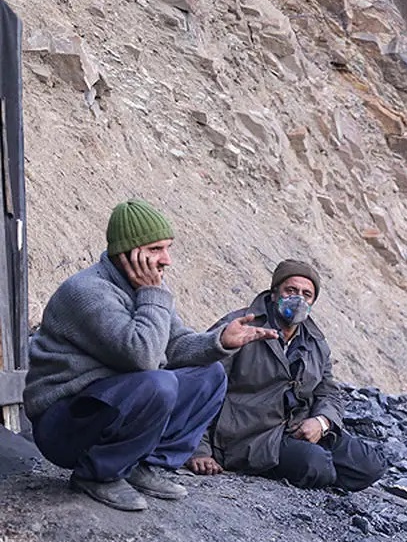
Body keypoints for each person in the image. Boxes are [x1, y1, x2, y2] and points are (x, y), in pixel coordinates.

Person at [22, 198, 279, 512]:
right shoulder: (88, 291)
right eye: (156, 249)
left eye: (168, 248)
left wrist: (219, 341)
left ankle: (142, 464)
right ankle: (98, 474)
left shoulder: (147, 289)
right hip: (63, 424)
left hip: (106, 404)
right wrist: (153, 294)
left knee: (210, 375)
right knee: (158, 384)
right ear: (127, 252)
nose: (167, 260)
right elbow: (142, 356)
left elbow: (173, 345)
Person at [186, 259, 388, 493]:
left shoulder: (315, 341)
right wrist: (198, 450)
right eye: (290, 290)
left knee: (370, 465)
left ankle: (312, 467)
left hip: (297, 429)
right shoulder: (241, 327)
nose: (298, 298)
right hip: (247, 437)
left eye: (306, 294)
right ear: (274, 294)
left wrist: (321, 423)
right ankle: (302, 468)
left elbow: (328, 392)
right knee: (316, 464)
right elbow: (201, 385)